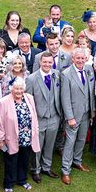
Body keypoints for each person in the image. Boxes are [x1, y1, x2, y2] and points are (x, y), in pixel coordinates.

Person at [0, 78, 40, 192]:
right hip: (11, 137)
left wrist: (35, 131)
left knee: (24, 159)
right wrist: (0, 139)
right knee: (11, 161)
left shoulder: (29, 98)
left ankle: (22, 180)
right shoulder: (4, 101)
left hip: (27, 136)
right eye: (16, 88)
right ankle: (9, 184)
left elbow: (34, 115)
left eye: (21, 88)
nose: (19, 91)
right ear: (11, 89)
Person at [60, 48, 96, 185]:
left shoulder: (88, 69)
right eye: (78, 58)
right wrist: (70, 117)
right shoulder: (66, 74)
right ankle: (65, 170)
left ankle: (77, 161)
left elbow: (90, 91)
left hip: (86, 112)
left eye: (83, 58)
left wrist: (92, 111)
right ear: (72, 59)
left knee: (81, 139)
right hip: (73, 115)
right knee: (70, 142)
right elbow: (65, 98)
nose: (80, 60)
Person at [26, 52, 62, 182]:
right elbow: (28, 101)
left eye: (49, 62)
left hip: (54, 116)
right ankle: (35, 169)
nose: (47, 64)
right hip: (39, 117)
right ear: (40, 62)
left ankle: (47, 167)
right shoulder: (31, 79)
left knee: (50, 144)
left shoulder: (57, 75)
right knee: (37, 146)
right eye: (45, 62)